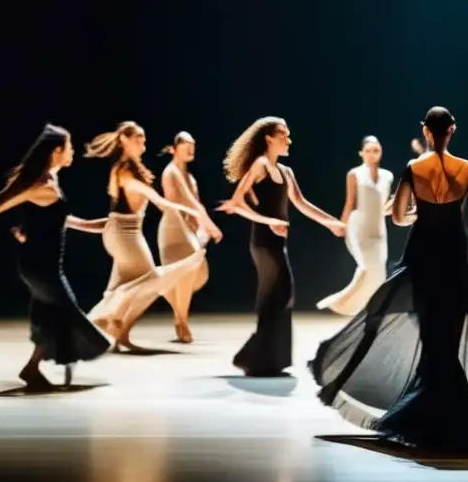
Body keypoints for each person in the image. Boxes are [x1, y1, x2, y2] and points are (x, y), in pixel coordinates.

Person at [310, 107, 468, 455]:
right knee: (448, 340)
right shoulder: (466, 168)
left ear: (426, 131)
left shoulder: (414, 168)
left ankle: (428, 420)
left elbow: (397, 218)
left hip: (423, 254)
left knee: (431, 337)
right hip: (454, 257)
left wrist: (419, 212)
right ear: (452, 129)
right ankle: (451, 421)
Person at [0, 125, 112, 390]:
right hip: (42, 267)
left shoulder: (50, 180)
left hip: (40, 264)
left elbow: (55, 218)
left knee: (51, 315)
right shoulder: (38, 183)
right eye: (69, 147)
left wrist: (90, 225)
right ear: (57, 150)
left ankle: (32, 369)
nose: (73, 152)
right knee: (69, 314)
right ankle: (44, 365)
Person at [218, 117, 345, 376]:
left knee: (280, 296)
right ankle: (253, 357)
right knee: (279, 294)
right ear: (269, 138)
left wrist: (331, 223)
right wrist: (269, 221)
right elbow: (236, 203)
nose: (288, 139)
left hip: (277, 241)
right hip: (263, 242)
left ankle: (266, 359)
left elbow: (301, 203)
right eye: (283, 135)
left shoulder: (286, 171)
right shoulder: (260, 165)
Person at [84, 121, 214, 351]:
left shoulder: (131, 167)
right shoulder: (124, 169)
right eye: (139, 137)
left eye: (144, 137)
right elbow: (154, 198)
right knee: (152, 281)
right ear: (124, 140)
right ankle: (104, 324)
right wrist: (189, 211)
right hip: (125, 234)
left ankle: (116, 332)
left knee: (123, 286)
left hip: (127, 231)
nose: (143, 141)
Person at [317, 136, 394, 316]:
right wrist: (341, 225)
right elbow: (350, 202)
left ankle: (369, 310)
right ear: (361, 153)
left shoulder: (387, 175)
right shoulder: (355, 174)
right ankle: (341, 303)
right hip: (358, 226)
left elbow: (385, 205)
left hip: (378, 227)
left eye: (376, 150)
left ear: (381, 152)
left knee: (379, 273)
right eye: (368, 150)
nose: (372, 154)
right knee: (366, 268)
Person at [158, 132, 223, 343]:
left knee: (198, 274)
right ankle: (182, 321)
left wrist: (202, 226)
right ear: (174, 148)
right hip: (173, 227)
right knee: (186, 273)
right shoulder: (172, 172)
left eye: (193, 146)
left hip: (187, 226)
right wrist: (211, 226)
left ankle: (178, 315)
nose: (191, 150)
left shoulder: (189, 176)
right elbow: (190, 202)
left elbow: (196, 203)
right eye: (186, 146)